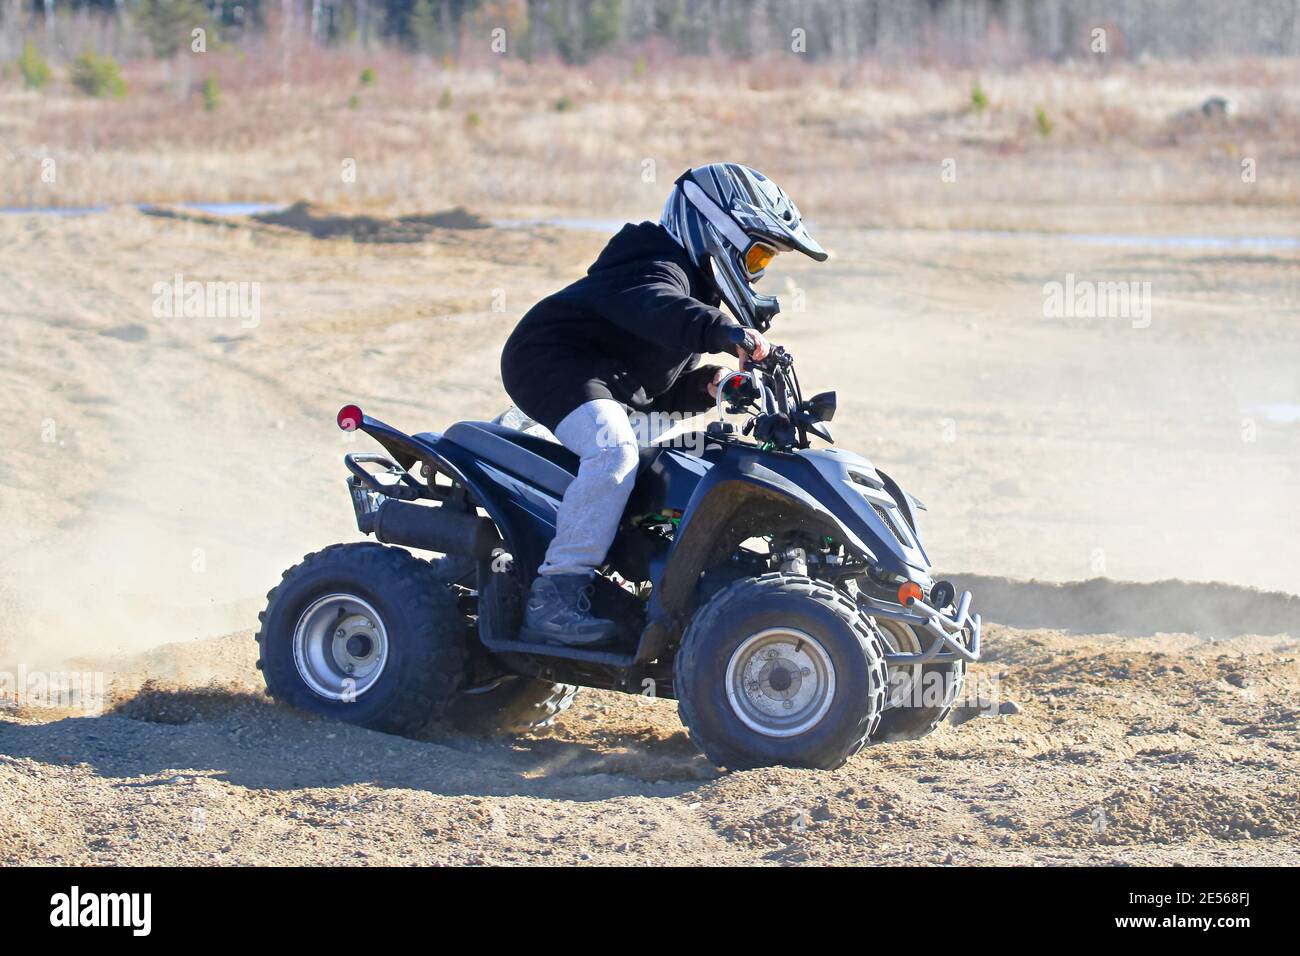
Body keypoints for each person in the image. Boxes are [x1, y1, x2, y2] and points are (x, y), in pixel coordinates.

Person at [499, 163, 827, 646]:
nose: (756, 273)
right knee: (614, 454)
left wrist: (710, 386)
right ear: (716, 231)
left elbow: (653, 387)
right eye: (757, 257)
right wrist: (725, 332)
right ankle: (556, 596)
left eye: (765, 264)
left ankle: (624, 574)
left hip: (604, 381)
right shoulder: (654, 263)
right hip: (554, 363)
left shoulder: (690, 290)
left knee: (672, 461)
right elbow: (658, 305)